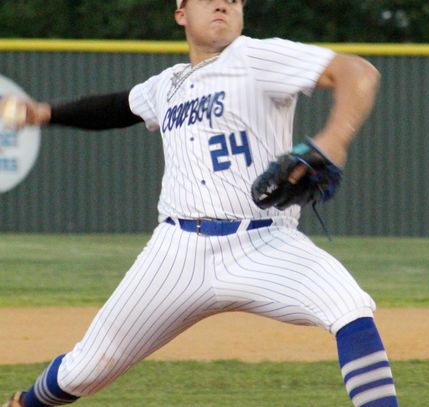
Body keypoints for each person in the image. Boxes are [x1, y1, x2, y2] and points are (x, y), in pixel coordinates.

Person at [1, 0, 398, 406]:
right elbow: (115, 108)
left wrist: (333, 139)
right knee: (84, 369)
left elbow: (357, 72)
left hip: (264, 242)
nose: (224, 3)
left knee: (350, 308)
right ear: (181, 13)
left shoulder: (256, 56)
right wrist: (42, 113)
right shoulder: (167, 85)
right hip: (177, 251)